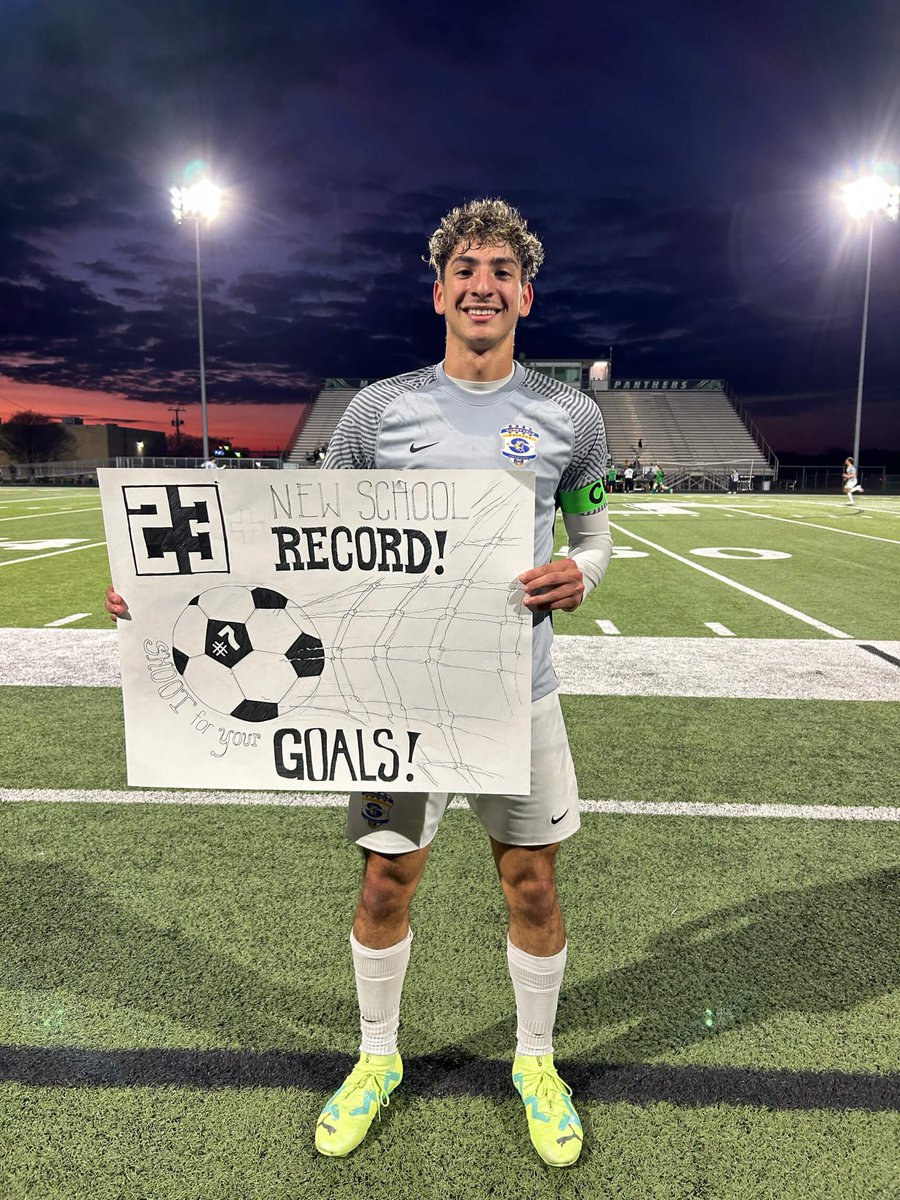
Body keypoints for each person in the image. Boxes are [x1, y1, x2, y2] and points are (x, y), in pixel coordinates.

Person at [105, 198, 612, 1170]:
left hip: (520, 689)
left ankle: (534, 1062)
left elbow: (592, 536)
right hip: (394, 698)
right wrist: (165, 600)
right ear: (438, 291)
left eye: (501, 268)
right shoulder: (378, 412)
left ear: (525, 293)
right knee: (385, 881)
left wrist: (580, 575)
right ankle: (376, 1056)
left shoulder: (570, 415)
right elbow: (301, 543)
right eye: (466, 267)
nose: (482, 283)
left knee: (535, 886)